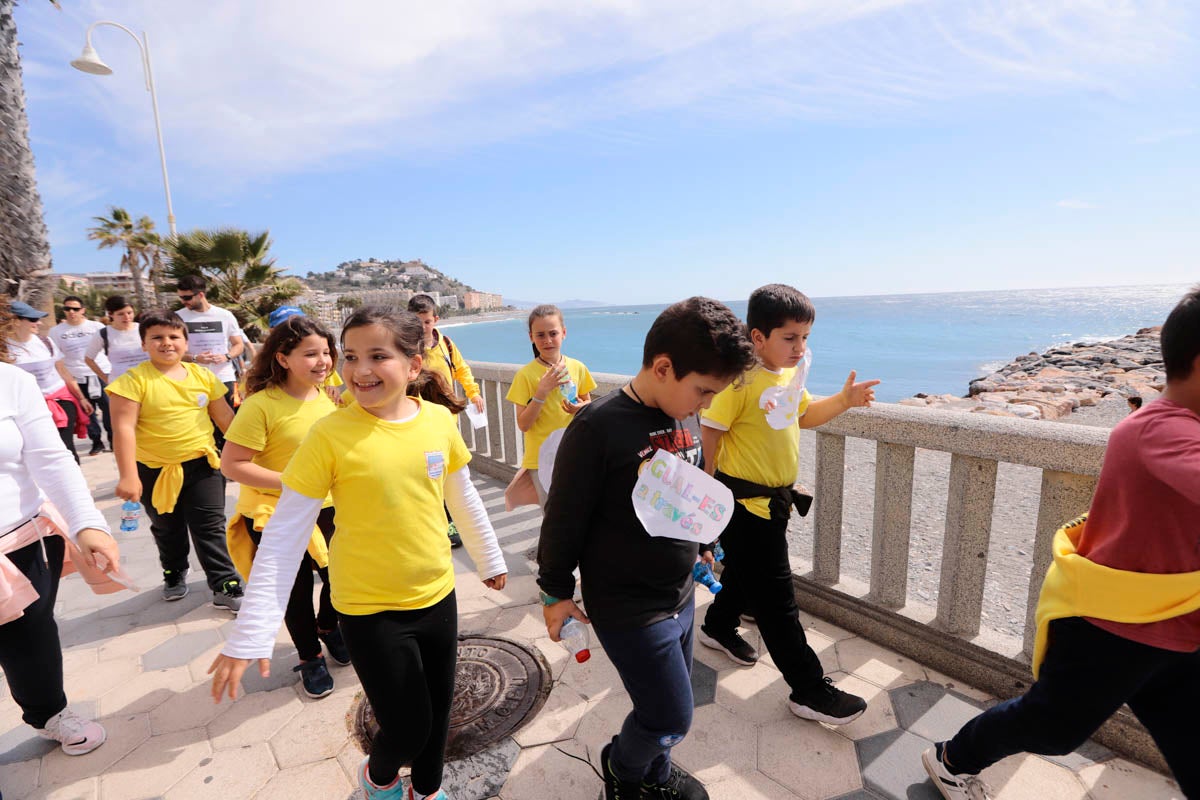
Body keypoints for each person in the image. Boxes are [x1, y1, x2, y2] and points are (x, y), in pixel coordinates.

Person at [210, 307, 509, 800]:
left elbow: (462, 495)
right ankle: (379, 778)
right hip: (368, 608)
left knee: (439, 713)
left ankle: (428, 791)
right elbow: (286, 533)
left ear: (413, 366)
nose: (359, 369)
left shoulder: (436, 420)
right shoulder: (329, 433)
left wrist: (490, 558)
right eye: (349, 356)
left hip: (436, 595)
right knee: (408, 725)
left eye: (377, 356)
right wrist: (253, 630)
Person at [921, 288, 1200, 800]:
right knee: (1052, 726)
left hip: (1178, 624)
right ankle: (951, 757)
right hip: (1113, 628)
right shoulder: (1158, 431)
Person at [538, 297, 758, 800]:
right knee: (669, 716)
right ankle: (622, 771)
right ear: (663, 367)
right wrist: (554, 592)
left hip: (679, 593)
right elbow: (563, 520)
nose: (705, 405)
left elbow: (687, 489)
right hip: (627, 606)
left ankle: (656, 776)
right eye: (702, 391)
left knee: (666, 705)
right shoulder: (598, 428)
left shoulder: (686, 416)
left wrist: (705, 541)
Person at [698, 284, 879, 726]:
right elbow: (711, 433)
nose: (800, 347)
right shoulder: (739, 380)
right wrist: (708, 501)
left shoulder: (787, 375)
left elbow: (801, 415)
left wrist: (843, 401)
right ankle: (809, 690)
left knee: (744, 571)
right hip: (745, 505)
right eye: (790, 337)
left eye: (805, 338)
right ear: (758, 337)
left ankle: (717, 627)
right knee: (778, 603)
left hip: (775, 503)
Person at [0, 297, 125, 757]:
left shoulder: (10, 380)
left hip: (18, 537)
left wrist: (89, 524)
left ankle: (48, 712)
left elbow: (51, 458)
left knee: (29, 634)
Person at [219, 316, 348, 699]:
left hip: (330, 507)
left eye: (326, 352)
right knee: (294, 592)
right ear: (283, 358)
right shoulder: (261, 405)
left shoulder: (329, 396)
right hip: (277, 513)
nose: (323, 361)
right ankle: (310, 657)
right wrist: (293, 483)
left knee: (341, 578)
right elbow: (233, 464)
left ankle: (328, 627)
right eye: (310, 354)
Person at [107, 310, 244, 611]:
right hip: (153, 470)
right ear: (143, 344)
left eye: (174, 337)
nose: (166, 343)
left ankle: (224, 583)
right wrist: (128, 476)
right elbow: (123, 429)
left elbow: (224, 418)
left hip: (203, 465)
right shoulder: (131, 381)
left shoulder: (203, 376)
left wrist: (245, 455)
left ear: (186, 342)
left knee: (210, 525)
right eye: (157, 337)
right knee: (167, 528)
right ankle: (173, 571)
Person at [408, 293, 484, 549]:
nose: (423, 327)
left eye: (427, 321)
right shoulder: (405, 348)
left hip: (446, 421)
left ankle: (448, 521)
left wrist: (473, 393)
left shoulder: (446, 344)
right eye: (417, 322)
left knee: (448, 471)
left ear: (435, 320)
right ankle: (440, 521)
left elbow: (462, 370)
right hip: (416, 421)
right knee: (429, 472)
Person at [505, 304, 596, 507]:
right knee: (553, 515)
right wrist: (542, 392)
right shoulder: (525, 375)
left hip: (575, 452)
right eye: (540, 335)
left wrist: (580, 408)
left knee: (580, 509)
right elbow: (523, 424)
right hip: (541, 459)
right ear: (531, 337)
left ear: (563, 333)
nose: (547, 340)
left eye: (553, 333)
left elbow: (588, 404)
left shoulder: (578, 367)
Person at [5, 300, 93, 463]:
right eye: (32, 319)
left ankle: (75, 485)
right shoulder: (4, 348)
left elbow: (63, 371)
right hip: (27, 408)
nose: (38, 322)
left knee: (66, 448)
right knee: (38, 451)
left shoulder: (45, 342)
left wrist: (81, 398)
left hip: (60, 402)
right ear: (15, 321)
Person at [174, 275, 245, 449]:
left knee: (228, 421)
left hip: (224, 376)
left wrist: (226, 356)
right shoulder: (177, 317)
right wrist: (195, 358)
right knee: (200, 422)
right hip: (192, 378)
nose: (183, 301)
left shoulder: (224, 315)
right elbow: (174, 351)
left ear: (201, 295)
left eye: (187, 297)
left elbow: (238, 344)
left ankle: (228, 461)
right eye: (181, 297)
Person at [49, 295, 109, 456]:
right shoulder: (56, 331)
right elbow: (57, 356)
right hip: (77, 377)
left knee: (109, 408)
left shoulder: (96, 326)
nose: (71, 312)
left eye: (75, 309)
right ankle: (96, 442)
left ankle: (114, 439)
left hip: (101, 373)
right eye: (67, 308)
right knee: (87, 411)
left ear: (82, 310)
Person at [85, 295, 149, 387]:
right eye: (120, 314)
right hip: (121, 385)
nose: (126, 317)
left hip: (149, 381)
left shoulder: (144, 329)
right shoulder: (103, 334)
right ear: (111, 314)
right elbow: (88, 359)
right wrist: (105, 379)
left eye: (129, 312)